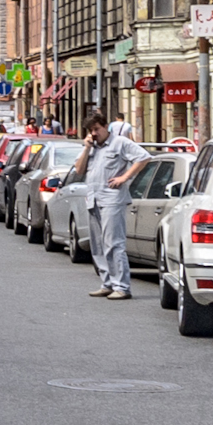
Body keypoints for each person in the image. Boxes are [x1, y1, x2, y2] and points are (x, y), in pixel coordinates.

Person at [80, 118, 141, 300]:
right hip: (94, 199)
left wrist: (125, 177)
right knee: (98, 245)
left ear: (106, 127)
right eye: (91, 130)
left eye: (97, 129)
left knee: (114, 243)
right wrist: (86, 148)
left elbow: (143, 157)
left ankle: (122, 286)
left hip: (112, 199)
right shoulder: (92, 148)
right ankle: (107, 283)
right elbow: (78, 169)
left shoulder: (120, 142)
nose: (94, 133)